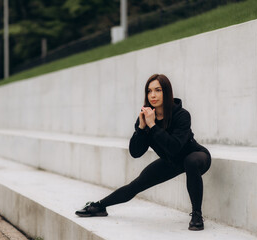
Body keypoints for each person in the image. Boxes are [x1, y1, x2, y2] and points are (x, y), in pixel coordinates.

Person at [75, 74, 211, 231]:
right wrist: (141, 128)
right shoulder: (146, 118)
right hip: (171, 161)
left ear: (166, 92)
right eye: (149, 91)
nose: (153, 95)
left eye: (158, 90)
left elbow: (174, 147)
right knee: (137, 184)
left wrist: (153, 126)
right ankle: (99, 206)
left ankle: (197, 215)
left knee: (190, 161)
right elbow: (135, 152)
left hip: (196, 156)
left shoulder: (182, 115)